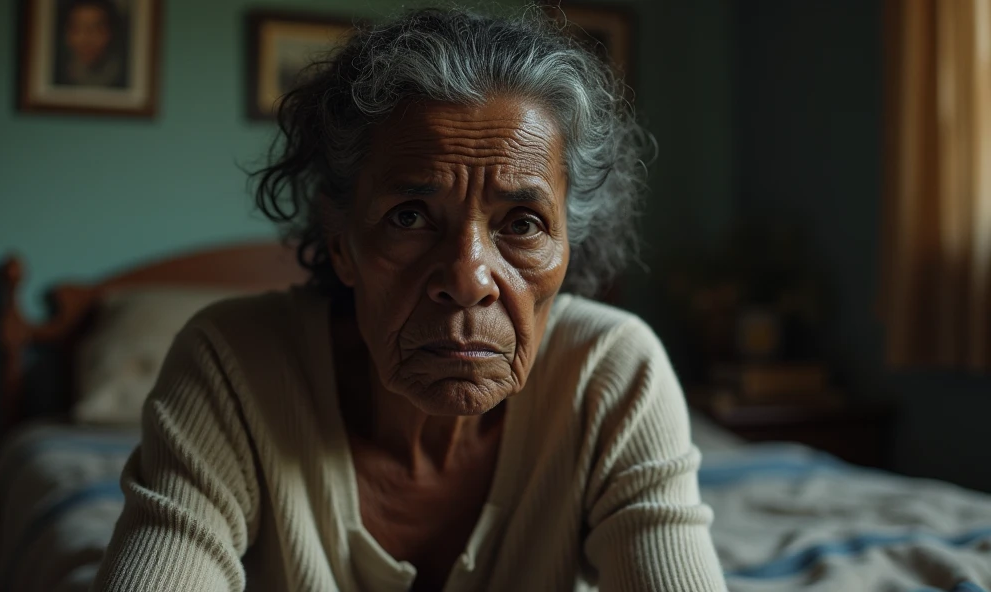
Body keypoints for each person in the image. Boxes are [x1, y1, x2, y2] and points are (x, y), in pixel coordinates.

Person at [93, 6, 727, 591]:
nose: (469, 277)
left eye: (523, 224)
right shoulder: (232, 367)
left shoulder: (613, 374)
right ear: (340, 242)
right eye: (409, 216)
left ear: (568, 245)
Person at [54, 0, 126, 88]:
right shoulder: (55, 73)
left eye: (96, 29)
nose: (86, 39)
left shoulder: (127, 75)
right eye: (77, 29)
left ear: (111, 33)